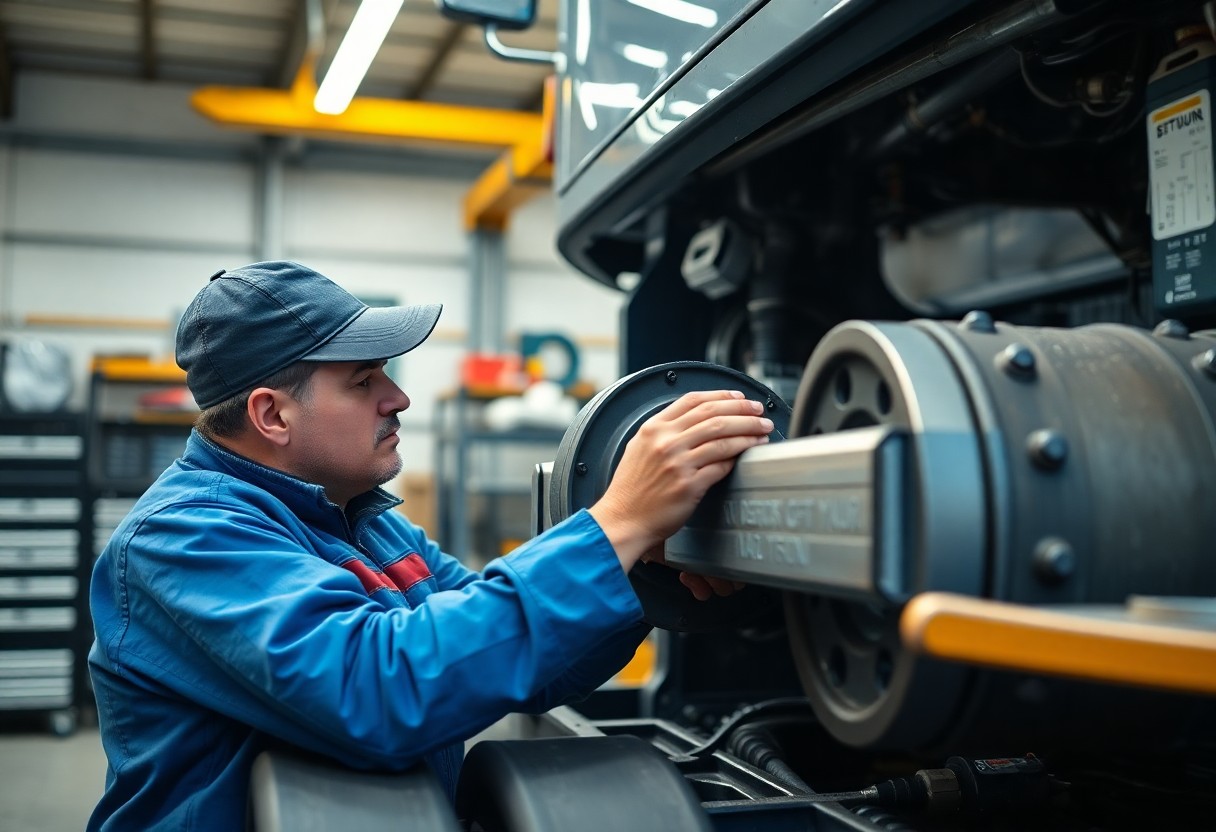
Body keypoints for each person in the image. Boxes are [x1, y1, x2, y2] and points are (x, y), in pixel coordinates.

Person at [86, 261, 774, 830]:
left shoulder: (364, 522)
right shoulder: (183, 539)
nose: (398, 398)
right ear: (272, 413)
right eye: (363, 381)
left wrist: (636, 569)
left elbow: (516, 662)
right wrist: (616, 523)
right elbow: (378, 690)